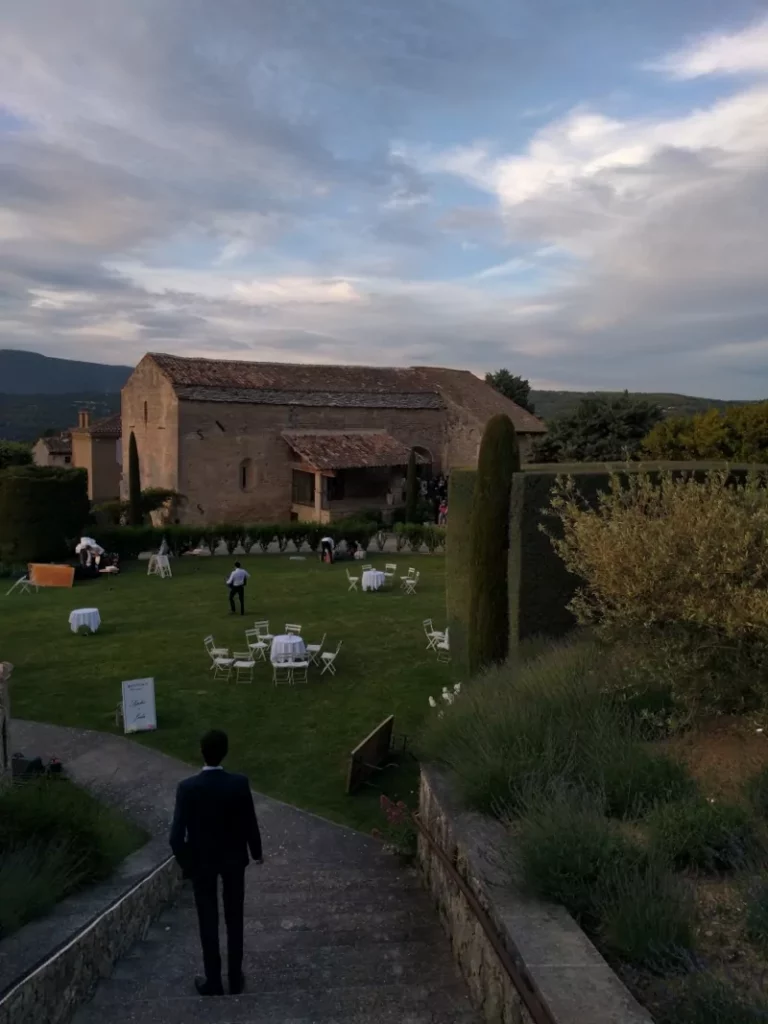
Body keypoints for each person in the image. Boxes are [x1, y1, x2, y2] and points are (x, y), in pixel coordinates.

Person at [170, 729, 263, 997]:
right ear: (226, 751)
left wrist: (189, 864)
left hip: (203, 864)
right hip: (234, 860)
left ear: (202, 751)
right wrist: (256, 852)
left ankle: (213, 981)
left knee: (207, 921)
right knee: (235, 919)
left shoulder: (187, 788)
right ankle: (235, 978)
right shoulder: (239, 783)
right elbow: (249, 822)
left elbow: (176, 837)